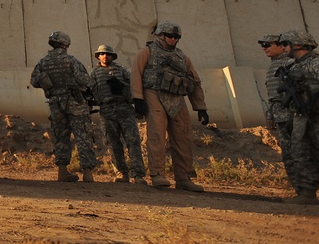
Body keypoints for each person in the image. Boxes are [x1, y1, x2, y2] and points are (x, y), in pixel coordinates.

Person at [130, 21, 208, 192]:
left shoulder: (182, 57)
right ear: (160, 35)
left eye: (176, 37)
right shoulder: (147, 52)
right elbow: (136, 74)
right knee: (157, 135)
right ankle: (157, 174)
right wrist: (137, 98)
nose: (173, 39)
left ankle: (183, 177)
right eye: (170, 36)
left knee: (183, 137)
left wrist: (200, 107)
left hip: (177, 99)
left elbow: (194, 80)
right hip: (154, 94)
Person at [30, 31, 98, 182]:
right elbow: (85, 80)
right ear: (65, 44)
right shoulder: (70, 60)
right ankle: (87, 174)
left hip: (55, 104)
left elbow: (34, 81)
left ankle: (62, 171)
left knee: (61, 137)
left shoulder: (43, 62)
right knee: (83, 135)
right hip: (74, 102)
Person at [275, 30, 319, 204]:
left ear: (299, 45)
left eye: (285, 44)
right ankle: (307, 193)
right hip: (300, 119)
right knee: (301, 154)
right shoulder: (292, 67)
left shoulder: (317, 63)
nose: (283, 48)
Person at [89, 44, 147, 183]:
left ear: (112, 56)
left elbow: (134, 85)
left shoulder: (121, 71)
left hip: (125, 108)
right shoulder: (95, 73)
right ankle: (121, 173)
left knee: (133, 141)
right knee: (113, 143)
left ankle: (138, 174)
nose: (105, 56)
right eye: (102, 54)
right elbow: (90, 90)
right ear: (98, 56)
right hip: (107, 110)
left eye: (107, 54)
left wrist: (121, 87)